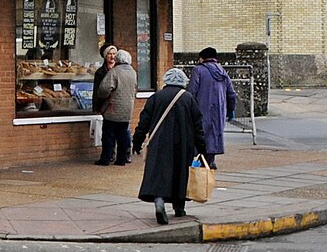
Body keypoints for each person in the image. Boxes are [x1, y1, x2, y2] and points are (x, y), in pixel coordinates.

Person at [133, 67, 204, 224]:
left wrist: (137, 142)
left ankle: (159, 202)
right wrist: (202, 147)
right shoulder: (189, 98)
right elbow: (198, 125)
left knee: (159, 173)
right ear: (183, 81)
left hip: (159, 143)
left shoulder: (155, 97)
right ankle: (179, 207)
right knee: (181, 174)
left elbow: (143, 122)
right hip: (184, 144)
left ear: (166, 80)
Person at [189, 47, 238, 168]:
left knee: (200, 133)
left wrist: (189, 107)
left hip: (201, 108)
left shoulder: (198, 70)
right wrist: (231, 109)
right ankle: (211, 160)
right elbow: (231, 93)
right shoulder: (222, 72)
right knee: (215, 133)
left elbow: (192, 91)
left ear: (202, 58)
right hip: (219, 110)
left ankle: (200, 160)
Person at [94, 46, 136, 167]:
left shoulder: (114, 72)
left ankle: (106, 158)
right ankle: (121, 159)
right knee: (123, 134)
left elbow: (103, 89)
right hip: (128, 108)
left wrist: (102, 98)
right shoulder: (133, 72)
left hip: (113, 109)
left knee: (108, 135)